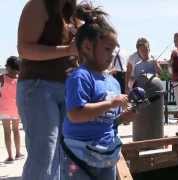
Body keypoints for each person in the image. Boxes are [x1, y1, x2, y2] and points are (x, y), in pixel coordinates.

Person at [62, 4, 136, 180]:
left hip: (106, 154)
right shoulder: (81, 77)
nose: (112, 55)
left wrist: (128, 115)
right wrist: (111, 103)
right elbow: (75, 114)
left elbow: (111, 120)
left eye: (114, 50)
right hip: (78, 155)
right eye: (107, 49)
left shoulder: (112, 83)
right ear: (87, 47)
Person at [17, 0, 78, 179]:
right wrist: (68, 49)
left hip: (67, 88)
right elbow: (25, 49)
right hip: (38, 87)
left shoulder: (72, 13)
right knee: (44, 155)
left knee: (63, 155)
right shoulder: (38, 5)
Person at [0, 56, 24, 163]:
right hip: (15, 109)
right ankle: (18, 153)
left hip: (4, 109)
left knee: (6, 132)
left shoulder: (1, 78)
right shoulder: (20, 80)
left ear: (7, 67)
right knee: (16, 131)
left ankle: (10, 156)